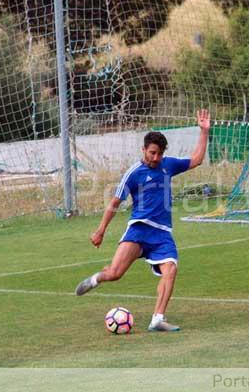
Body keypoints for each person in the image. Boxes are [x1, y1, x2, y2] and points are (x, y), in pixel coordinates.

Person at [75, 110, 211, 332]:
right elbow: (114, 203)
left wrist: (204, 131)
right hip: (139, 230)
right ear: (144, 150)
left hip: (162, 234)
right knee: (115, 274)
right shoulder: (134, 173)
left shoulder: (169, 165)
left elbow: (196, 159)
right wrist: (100, 231)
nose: (155, 158)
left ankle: (157, 319)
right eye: (151, 153)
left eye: (158, 154)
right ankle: (96, 278)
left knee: (171, 269)